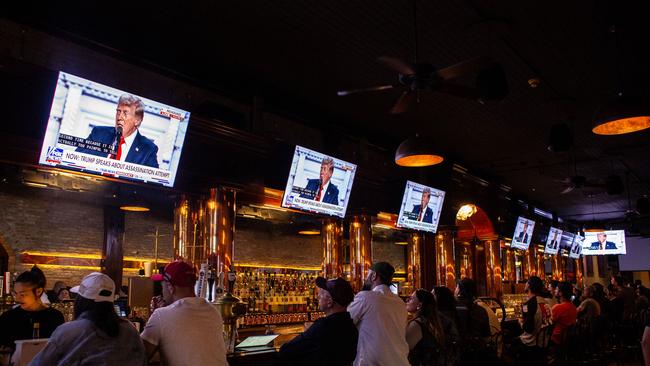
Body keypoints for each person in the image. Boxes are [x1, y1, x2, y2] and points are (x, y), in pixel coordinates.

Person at [30, 272, 146, 366]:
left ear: (81, 301)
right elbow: (142, 360)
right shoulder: (130, 330)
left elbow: (39, 363)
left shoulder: (67, 332)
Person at [141, 261, 227, 366]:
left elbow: (139, 356)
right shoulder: (213, 311)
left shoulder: (161, 315)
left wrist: (153, 317)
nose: (162, 292)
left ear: (170, 287)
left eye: (162, 286)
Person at [279, 277, 358, 365]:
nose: (318, 296)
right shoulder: (351, 327)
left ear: (329, 302)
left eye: (322, 293)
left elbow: (285, 351)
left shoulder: (323, 327)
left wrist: (309, 332)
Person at [348, 262, 409, 366]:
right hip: (400, 361)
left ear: (374, 275)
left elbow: (345, 322)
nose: (365, 278)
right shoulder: (400, 303)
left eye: (368, 274)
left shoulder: (365, 297)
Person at [76, 94, 159, 168]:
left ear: (137, 120)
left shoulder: (148, 149)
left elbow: (153, 182)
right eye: (118, 112)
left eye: (125, 113)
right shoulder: (98, 133)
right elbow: (75, 160)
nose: (119, 117)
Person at [0, 267, 64, 355]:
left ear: (38, 291)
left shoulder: (55, 317)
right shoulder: (8, 317)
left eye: (22, 294)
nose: (17, 298)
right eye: (15, 293)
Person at [454, 278, 491, 365]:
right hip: (477, 355)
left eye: (456, 287)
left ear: (460, 290)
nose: (455, 289)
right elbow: (486, 336)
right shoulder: (481, 310)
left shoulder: (452, 308)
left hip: (457, 354)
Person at [406, 289, 445, 366]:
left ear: (419, 305)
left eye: (411, 298)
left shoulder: (417, 324)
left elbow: (403, 349)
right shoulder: (430, 321)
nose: (407, 300)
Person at [550, 282, 577, 347]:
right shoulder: (573, 306)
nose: (555, 291)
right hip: (567, 340)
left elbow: (548, 322)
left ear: (561, 293)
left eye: (556, 289)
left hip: (555, 340)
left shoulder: (558, 307)